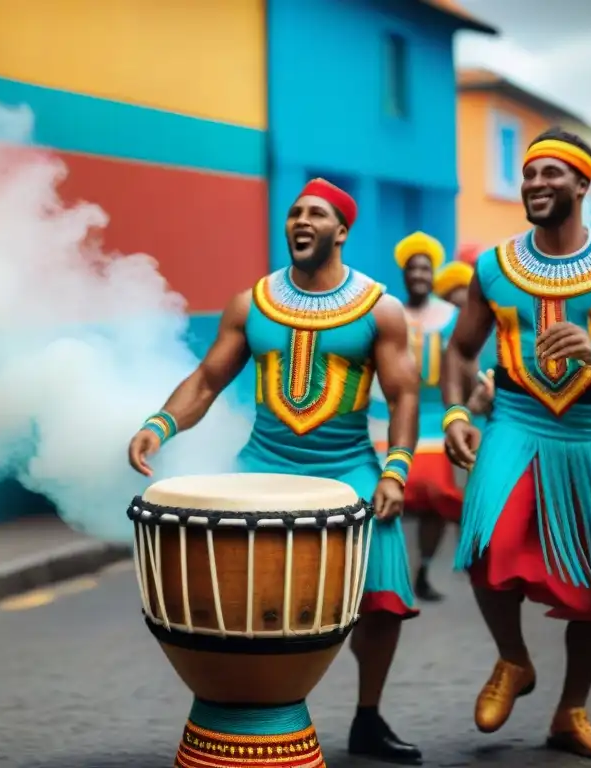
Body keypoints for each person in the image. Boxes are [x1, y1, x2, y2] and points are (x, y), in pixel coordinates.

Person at [128, 178, 424, 765]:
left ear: (341, 231)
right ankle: (244, 711)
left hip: (349, 471)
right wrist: (159, 424)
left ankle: (369, 717)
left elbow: (405, 395)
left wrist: (394, 469)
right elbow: (208, 380)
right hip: (261, 468)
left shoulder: (380, 308)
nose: (301, 221)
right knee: (238, 591)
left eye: (316, 214)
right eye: (294, 213)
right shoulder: (252, 302)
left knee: (382, 596)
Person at [441, 127, 591, 760]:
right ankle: (513, 661)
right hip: (515, 421)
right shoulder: (492, 266)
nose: (536, 183)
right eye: (528, 173)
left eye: (552, 173)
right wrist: (457, 412)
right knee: (489, 544)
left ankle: (571, 712)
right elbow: (461, 350)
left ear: (581, 183)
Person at [385, 238, 490, 602]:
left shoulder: (451, 316)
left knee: (435, 497)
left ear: (433, 275)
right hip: (390, 415)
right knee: (387, 492)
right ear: (403, 274)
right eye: (412, 268)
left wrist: (478, 395)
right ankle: (388, 571)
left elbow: (467, 363)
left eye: (424, 268)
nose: (418, 274)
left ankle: (422, 571)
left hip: (434, 419)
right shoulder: (388, 312)